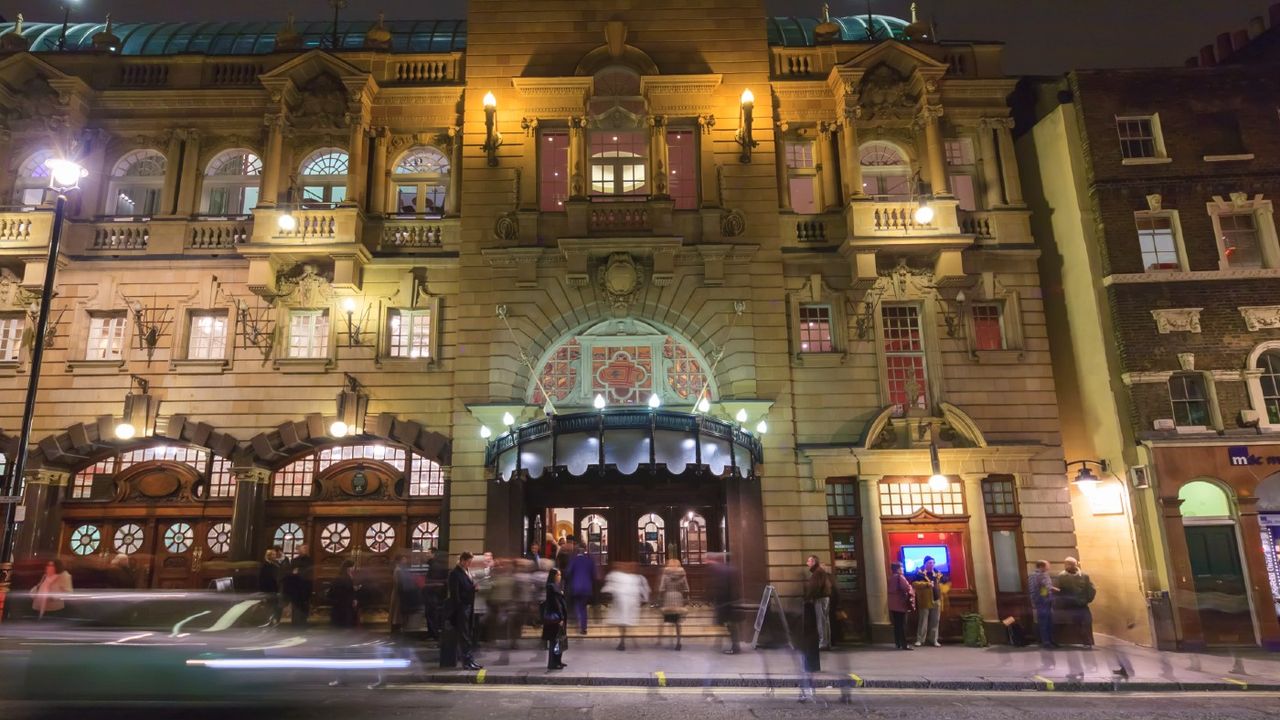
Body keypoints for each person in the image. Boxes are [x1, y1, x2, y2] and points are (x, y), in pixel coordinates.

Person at [447, 551, 483, 670]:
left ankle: (470, 660)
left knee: (468, 635)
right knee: (464, 636)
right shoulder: (455, 574)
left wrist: (474, 588)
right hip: (462, 608)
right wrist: (459, 609)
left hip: (469, 606)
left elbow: (467, 588)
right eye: (468, 561)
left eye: (470, 562)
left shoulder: (466, 571)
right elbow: (455, 594)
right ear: (462, 560)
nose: (469, 564)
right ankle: (466, 662)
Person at [602, 561, 649, 651]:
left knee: (624, 622)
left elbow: (610, 586)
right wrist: (644, 599)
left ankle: (625, 642)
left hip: (625, 603)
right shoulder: (634, 577)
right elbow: (643, 589)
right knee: (626, 622)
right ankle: (628, 642)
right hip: (628, 602)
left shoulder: (618, 575)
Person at [1056, 556, 1097, 648]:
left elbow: (1091, 589)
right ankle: (1067, 641)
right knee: (1067, 624)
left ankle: (1087, 642)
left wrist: (1087, 599)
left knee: (1086, 622)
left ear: (1074, 564)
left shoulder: (1084, 576)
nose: (1066, 566)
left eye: (1069, 564)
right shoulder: (1061, 576)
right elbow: (1058, 590)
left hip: (1082, 604)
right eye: (1066, 564)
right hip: (1068, 605)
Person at [708, 552, 741, 654]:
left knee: (730, 625)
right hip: (730, 602)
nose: (707, 562)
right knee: (729, 624)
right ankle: (730, 644)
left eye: (709, 559)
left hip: (726, 603)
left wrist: (715, 600)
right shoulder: (728, 569)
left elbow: (721, 588)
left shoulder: (721, 570)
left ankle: (735, 647)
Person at [657, 557, 690, 650]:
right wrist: (686, 597)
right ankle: (678, 642)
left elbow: (662, 588)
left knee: (667, 619)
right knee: (677, 622)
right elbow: (686, 588)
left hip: (668, 597)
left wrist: (659, 597)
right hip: (678, 597)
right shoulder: (682, 574)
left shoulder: (666, 574)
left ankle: (666, 639)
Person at [565, 543, 596, 635]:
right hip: (586, 587)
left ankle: (577, 623)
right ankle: (583, 628)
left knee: (577, 606)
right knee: (583, 608)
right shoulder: (589, 560)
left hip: (576, 586)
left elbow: (568, 573)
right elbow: (594, 574)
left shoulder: (574, 560)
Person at [804, 555, 834, 650]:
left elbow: (814, 587)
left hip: (820, 598)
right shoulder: (820, 571)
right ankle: (827, 642)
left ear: (813, 562)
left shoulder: (817, 572)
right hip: (824, 598)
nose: (807, 563)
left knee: (821, 621)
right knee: (825, 621)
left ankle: (823, 643)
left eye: (809, 561)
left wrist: (808, 597)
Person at [912, 556, 943, 647]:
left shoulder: (937, 573)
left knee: (935, 621)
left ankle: (934, 640)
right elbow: (914, 583)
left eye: (933, 563)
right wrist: (926, 584)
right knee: (923, 620)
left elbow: (943, 582)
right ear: (925, 563)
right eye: (930, 563)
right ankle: (920, 640)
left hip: (936, 599)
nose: (932, 564)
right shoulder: (919, 573)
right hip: (924, 600)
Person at [1028, 559, 1058, 649]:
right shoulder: (1041, 575)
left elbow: (1037, 588)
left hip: (1041, 601)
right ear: (1041, 566)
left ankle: (1048, 641)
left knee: (1046, 621)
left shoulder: (1034, 575)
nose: (1049, 567)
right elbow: (1043, 588)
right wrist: (1051, 591)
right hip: (1043, 601)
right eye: (1047, 565)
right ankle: (1047, 642)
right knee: (1045, 622)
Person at [542, 568, 569, 670]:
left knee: (560, 640)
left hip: (559, 617)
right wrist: (561, 617)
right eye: (558, 575)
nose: (560, 577)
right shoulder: (551, 587)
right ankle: (553, 663)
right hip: (556, 618)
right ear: (553, 576)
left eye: (560, 575)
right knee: (555, 640)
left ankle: (558, 661)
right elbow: (556, 604)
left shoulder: (556, 587)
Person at [887, 562, 916, 650]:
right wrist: (911, 588)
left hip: (893, 604)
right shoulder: (900, 577)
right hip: (900, 604)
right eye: (902, 568)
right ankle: (904, 644)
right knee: (903, 625)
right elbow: (907, 588)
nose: (903, 569)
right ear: (898, 569)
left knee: (897, 625)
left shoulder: (891, 578)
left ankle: (898, 643)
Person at [284, 545, 314, 627]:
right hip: (296, 588)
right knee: (296, 608)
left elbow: (309, 572)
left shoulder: (310, 560)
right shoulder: (294, 560)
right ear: (299, 550)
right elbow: (291, 572)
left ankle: (302, 624)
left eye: (306, 549)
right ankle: (296, 624)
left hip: (305, 587)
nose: (305, 550)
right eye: (303, 549)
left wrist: (299, 571)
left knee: (304, 608)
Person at [258, 548, 283, 624]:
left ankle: (275, 622)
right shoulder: (265, 566)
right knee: (270, 608)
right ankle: (270, 623)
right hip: (268, 590)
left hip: (275, 589)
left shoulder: (275, 564)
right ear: (268, 556)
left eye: (275, 554)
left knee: (277, 607)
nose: (275, 556)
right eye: (273, 554)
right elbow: (263, 580)